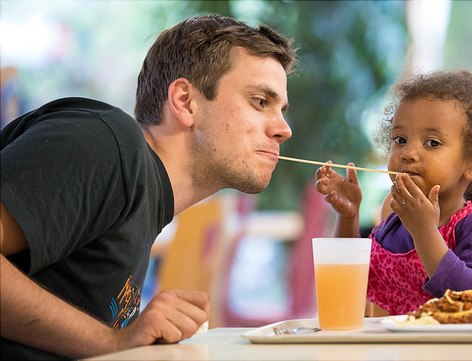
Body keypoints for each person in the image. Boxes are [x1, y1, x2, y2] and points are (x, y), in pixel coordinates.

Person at [0, 14, 296, 359]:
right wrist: (112, 342)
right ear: (185, 102)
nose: (284, 129)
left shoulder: (146, 199)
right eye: (260, 101)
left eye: (282, 110)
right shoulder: (106, 143)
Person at [315, 70, 472, 315]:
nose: (408, 153)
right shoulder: (392, 226)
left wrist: (424, 232)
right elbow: (345, 285)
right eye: (400, 139)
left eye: (432, 143)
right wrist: (348, 217)